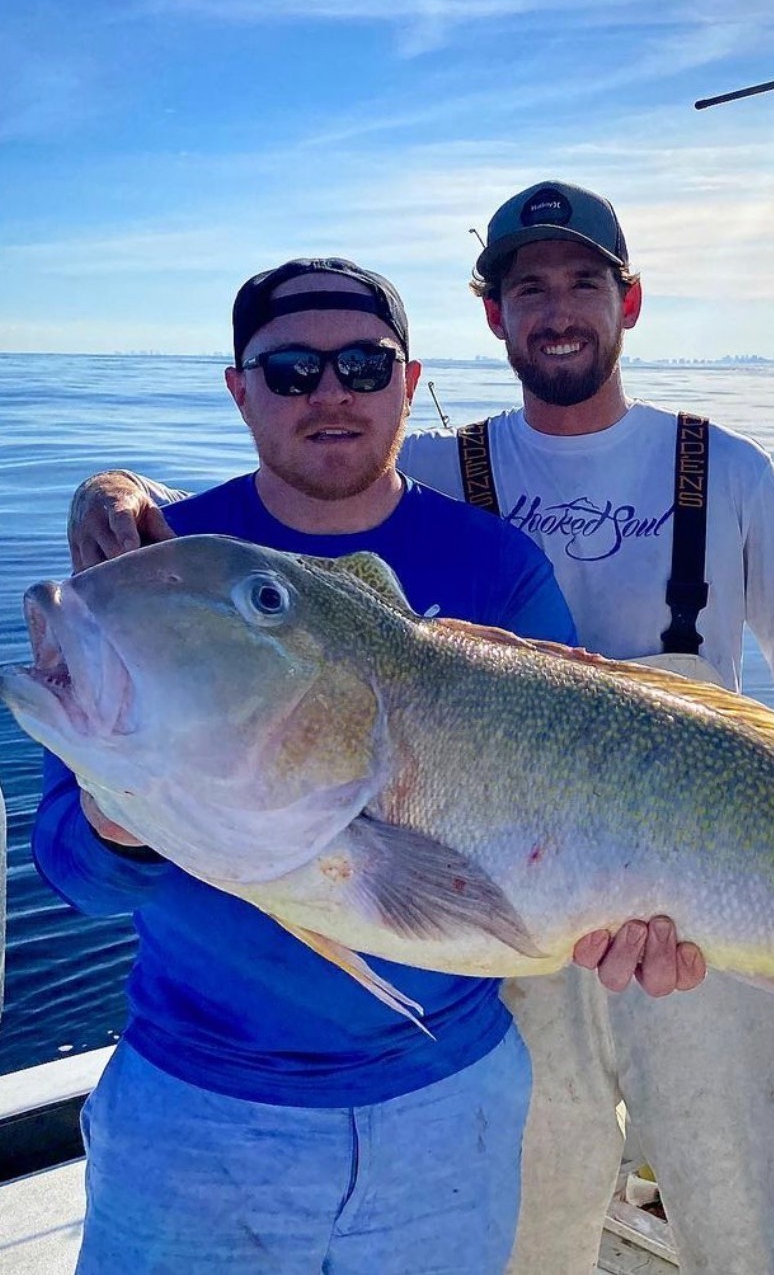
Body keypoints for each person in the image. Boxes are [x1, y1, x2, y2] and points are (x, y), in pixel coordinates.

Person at [67, 188, 774, 1275]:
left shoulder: (718, 468)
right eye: (525, 288)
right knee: (539, 1211)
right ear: (490, 317)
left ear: (627, 300)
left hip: (687, 869)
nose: (556, 310)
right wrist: (113, 494)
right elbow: (269, 546)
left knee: (745, 1203)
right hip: (494, 903)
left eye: (582, 282)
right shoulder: (446, 467)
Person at [38, 254, 703, 1275]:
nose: (332, 392)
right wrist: (115, 823)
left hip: (450, 1114)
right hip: (197, 1118)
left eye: (362, 363)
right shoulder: (164, 564)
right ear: (238, 389)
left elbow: (585, 776)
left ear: (409, 377)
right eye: (292, 370)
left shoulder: (498, 567)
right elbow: (69, 871)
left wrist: (636, 923)